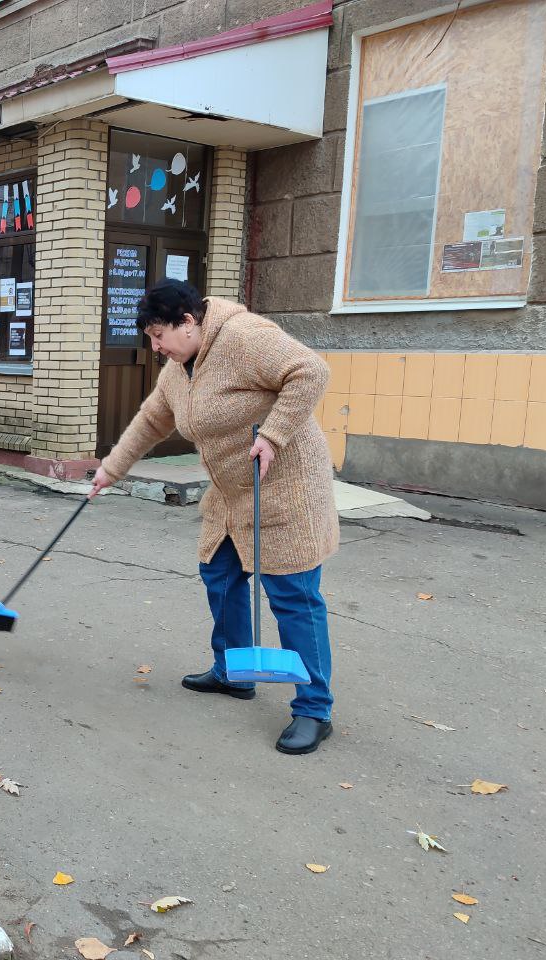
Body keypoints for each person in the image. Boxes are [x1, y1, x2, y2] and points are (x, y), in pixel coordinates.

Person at [90, 280, 338, 755]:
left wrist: (275, 433)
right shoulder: (179, 367)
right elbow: (151, 420)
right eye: (150, 339)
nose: (156, 347)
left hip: (285, 488)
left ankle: (313, 709)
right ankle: (234, 672)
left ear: (189, 321)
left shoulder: (244, 336)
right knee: (219, 575)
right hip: (230, 493)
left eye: (160, 335)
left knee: (293, 598)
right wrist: (110, 470)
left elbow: (311, 370)